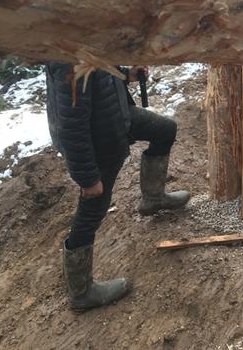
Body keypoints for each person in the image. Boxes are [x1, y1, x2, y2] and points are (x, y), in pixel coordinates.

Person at [45, 63, 190, 310]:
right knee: (93, 209)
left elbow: (103, 70)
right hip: (98, 140)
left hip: (116, 117)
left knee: (165, 129)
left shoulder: (92, 37)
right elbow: (72, 126)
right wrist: (88, 178)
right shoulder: (68, 57)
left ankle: (153, 199)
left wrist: (126, 74)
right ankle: (82, 292)